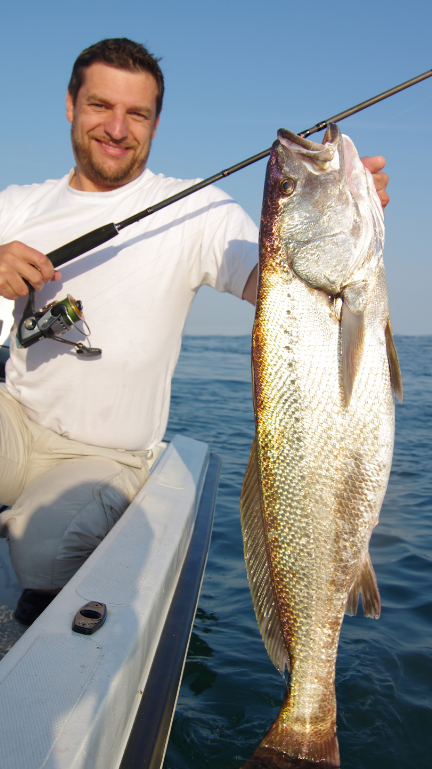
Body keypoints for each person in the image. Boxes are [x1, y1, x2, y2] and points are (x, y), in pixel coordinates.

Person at [0, 38, 389, 625]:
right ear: (70, 106)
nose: (116, 127)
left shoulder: (194, 210)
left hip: (105, 455)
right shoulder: (16, 205)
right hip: (15, 421)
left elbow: (278, 285)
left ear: (156, 124)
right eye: (100, 106)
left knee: (44, 552)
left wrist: (337, 227)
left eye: (137, 113)